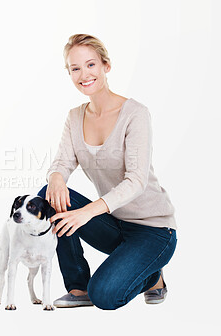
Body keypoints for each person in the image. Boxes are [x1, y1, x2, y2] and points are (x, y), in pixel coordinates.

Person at [37, 34, 177, 310]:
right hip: (115, 223)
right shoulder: (75, 117)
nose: (84, 74)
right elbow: (62, 163)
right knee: (48, 195)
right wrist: (55, 177)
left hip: (154, 231)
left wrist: (88, 211)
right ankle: (78, 287)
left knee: (105, 296)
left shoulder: (135, 114)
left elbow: (136, 180)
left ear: (106, 66)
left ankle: (152, 278)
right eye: (75, 68)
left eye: (91, 65)